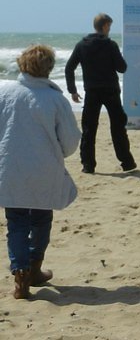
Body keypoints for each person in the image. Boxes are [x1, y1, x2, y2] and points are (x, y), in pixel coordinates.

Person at [0, 45, 81, 299]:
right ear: (49, 67)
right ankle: (34, 268)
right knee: (41, 219)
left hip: (10, 167)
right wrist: (59, 153)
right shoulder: (55, 99)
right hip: (44, 168)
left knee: (16, 223)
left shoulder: (5, 92)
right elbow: (70, 141)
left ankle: (21, 275)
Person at [65, 13, 137, 174]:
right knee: (118, 127)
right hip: (110, 90)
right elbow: (122, 68)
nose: (109, 29)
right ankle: (127, 162)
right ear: (104, 26)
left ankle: (88, 165)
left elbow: (69, 67)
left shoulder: (82, 45)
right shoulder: (110, 45)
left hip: (92, 91)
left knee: (89, 129)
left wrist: (73, 90)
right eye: (109, 26)